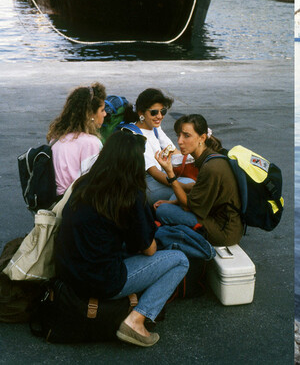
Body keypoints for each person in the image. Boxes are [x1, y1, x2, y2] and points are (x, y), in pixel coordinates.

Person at [54, 130, 189, 347]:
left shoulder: (84, 183)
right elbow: (149, 250)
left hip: (68, 274)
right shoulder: (129, 194)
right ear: (134, 163)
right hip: (101, 281)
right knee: (179, 260)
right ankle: (137, 320)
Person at [154, 114, 243, 247]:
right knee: (174, 196)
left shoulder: (211, 167)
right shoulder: (210, 156)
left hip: (224, 232)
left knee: (163, 211)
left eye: (186, 136)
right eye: (178, 135)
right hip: (223, 220)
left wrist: (170, 173)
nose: (179, 141)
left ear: (202, 138)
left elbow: (186, 206)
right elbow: (196, 188)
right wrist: (173, 201)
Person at [123, 88, 194, 204]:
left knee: (192, 183)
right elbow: (154, 172)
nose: (159, 116)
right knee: (183, 190)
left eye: (163, 111)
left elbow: (174, 151)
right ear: (141, 113)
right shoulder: (135, 135)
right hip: (145, 186)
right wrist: (182, 186)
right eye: (154, 112)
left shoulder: (154, 128)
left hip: (162, 177)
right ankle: (166, 212)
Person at [47, 83, 107, 196]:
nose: (105, 114)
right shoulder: (90, 143)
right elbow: (93, 183)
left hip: (56, 201)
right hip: (75, 202)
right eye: (102, 110)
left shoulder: (57, 137)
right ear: (90, 114)